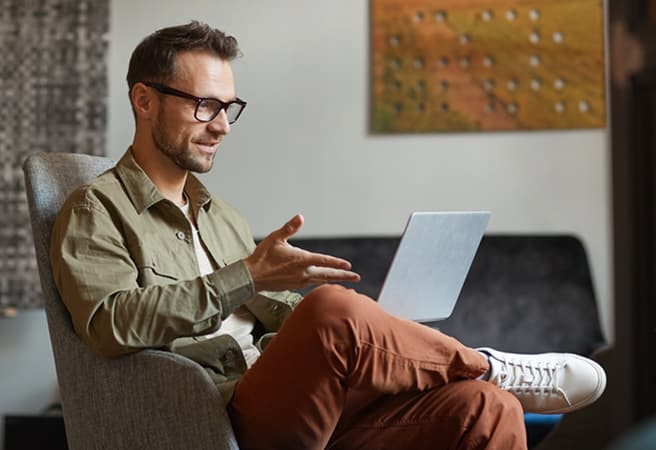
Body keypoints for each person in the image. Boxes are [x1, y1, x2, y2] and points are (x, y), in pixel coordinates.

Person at [50, 21, 606, 449]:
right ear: (144, 100)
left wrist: (378, 334)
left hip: (305, 400)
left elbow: (269, 308)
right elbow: (108, 325)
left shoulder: (219, 214)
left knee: (486, 409)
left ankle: (482, 376)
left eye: (228, 107)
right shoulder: (95, 209)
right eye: (204, 105)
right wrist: (252, 280)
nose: (221, 124)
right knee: (331, 312)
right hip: (220, 410)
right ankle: (492, 363)